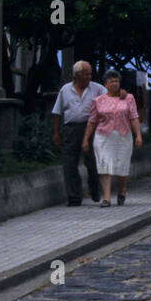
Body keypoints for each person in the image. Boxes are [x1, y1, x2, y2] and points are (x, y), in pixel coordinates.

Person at [82, 69, 143, 207]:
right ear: (106, 84)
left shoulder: (128, 98)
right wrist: (85, 139)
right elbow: (92, 121)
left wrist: (138, 135)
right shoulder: (98, 101)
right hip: (103, 136)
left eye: (116, 81)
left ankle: (122, 190)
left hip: (123, 135)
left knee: (122, 165)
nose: (114, 84)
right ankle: (107, 198)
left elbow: (133, 117)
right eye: (111, 81)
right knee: (104, 164)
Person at [51, 61, 106, 206]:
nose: (89, 77)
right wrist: (56, 133)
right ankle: (74, 197)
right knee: (69, 164)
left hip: (90, 128)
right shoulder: (65, 90)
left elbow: (110, 98)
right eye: (86, 74)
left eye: (90, 74)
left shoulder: (97, 89)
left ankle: (95, 190)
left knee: (92, 162)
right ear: (77, 75)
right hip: (70, 129)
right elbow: (57, 113)